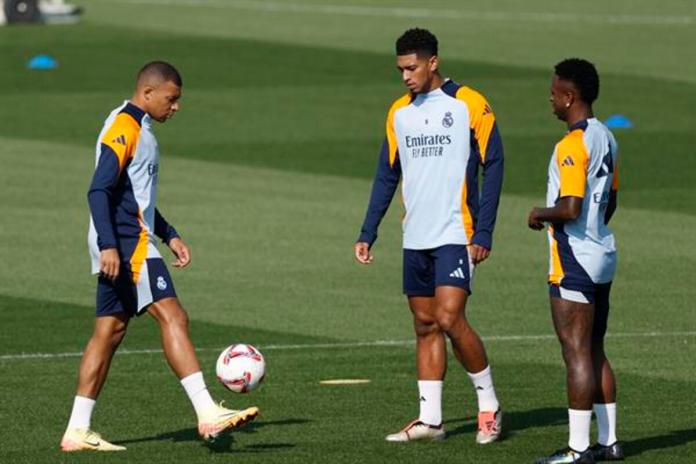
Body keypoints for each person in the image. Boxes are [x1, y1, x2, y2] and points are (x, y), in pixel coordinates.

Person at [60, 61, 258, 452]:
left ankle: (76, 430)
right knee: (173, 314)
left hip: (131, 239)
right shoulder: (123, 128)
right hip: (127, 244)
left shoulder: (142, 131)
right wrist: (108, 244)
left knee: (109, 333)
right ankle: (206, 411)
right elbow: (99, 190)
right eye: (172, 99)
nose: (176, 106)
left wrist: (169, 234)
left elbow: (136, 197)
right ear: (147, 93)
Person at [355, 28, 504, 444]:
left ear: (433, 62)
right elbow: (387, 174)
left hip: (457, 232)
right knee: (424, 324)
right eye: (400, 69)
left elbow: (494, 163)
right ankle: (431, 420)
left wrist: (485, 229)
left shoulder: (468, 103)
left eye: (411, 67)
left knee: (449, 317)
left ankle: (489, 407)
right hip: (415, 234)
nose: (405, 76)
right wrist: (369, 230)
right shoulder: (398, 113)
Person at [528, 58, 623, 464]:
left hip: (574, 259)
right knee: (595, 346)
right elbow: (611, 201)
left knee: (576, 352)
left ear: (570, 97)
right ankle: (610, 441)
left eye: (554, 93)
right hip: (602, 251)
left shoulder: (570, 145)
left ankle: (579, 448)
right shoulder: (607, 136)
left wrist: (538, 214)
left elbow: (569, 207)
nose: (550, 99)